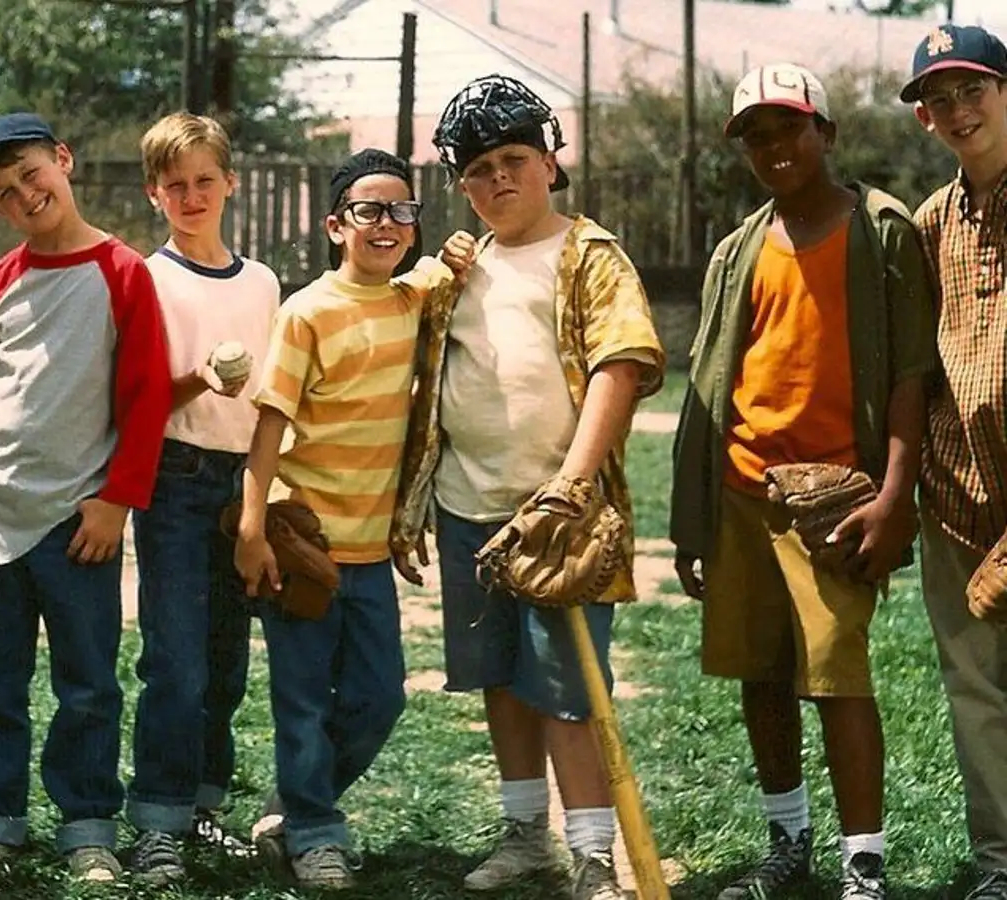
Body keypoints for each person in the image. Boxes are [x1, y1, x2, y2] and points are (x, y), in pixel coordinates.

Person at [670, 64, 936, 900]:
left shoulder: (881, 228)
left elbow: (909, 375)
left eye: (789, 127)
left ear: (827, 133)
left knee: (836, 672)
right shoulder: (738, 248)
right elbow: (713, 383)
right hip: (745, 493)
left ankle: (864, 862)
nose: (774, 147)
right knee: (762, 674)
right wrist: (694, 519)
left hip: (837, 499)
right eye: (755, 134)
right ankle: (788, 845)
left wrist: (894, 496)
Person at [416, 75, 665, 900]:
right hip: (469, 506)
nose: (498, 180)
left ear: (551, 163)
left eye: (515, 159)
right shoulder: (462, 267)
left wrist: (570, 486)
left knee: (565, 690)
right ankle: (525, 834)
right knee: (498, 680)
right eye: (478, 168)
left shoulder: (589, 253)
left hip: (558, 512)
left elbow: (620, 366)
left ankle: (592, 852)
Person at [0, 112, 171, 885]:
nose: (22, 194)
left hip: (78, 520)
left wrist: (117, 499)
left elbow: (146, 395)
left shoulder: (123, 272)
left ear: (63, 161)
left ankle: (88, 824)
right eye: (2, 192)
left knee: (88, 683)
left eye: (31, 173)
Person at [232, 147, 462, 890]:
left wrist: (456, 253)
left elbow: (450, 266)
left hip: (372, 556)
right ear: (336, 225)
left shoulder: (413, 298)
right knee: (301, 701)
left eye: (402, 209)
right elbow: (269, 426)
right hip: (305, 545)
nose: (387, 223)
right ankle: (317, 835)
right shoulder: (307, 313)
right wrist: (251, 527)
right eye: (369, 210)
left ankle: (294, 806)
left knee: (379, 696)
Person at [122, 111, 279, 883]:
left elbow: (271, 403)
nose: (192, 196)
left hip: (243, 482)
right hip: (175, 481)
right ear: (155, 194)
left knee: (226, 664)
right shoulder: (149, 278)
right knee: (175, 663)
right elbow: (139, 399)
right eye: (175, 185)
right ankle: (156, 819)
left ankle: (204, 807)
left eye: (204, 181)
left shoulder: (263, 282)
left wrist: (261, 501)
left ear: (230, 183)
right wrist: (201, 379)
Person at [901, 24, 1007, 900]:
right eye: (939, 99)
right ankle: (1000, 864)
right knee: (975, 690)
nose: (957, 109)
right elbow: (920, 367)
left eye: (972, 88)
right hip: (961, 496)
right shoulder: (933, 222)